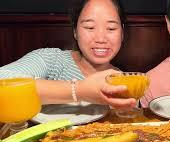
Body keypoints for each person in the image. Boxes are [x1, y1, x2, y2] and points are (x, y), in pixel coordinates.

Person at [0, 0, 136, 109]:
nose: (100, 38)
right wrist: (80, 91)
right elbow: (3, 80)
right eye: (89, 27)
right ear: (75, 31)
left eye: (111, 28)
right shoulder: (51, 60)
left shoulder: (126, 82)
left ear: (122, 33)